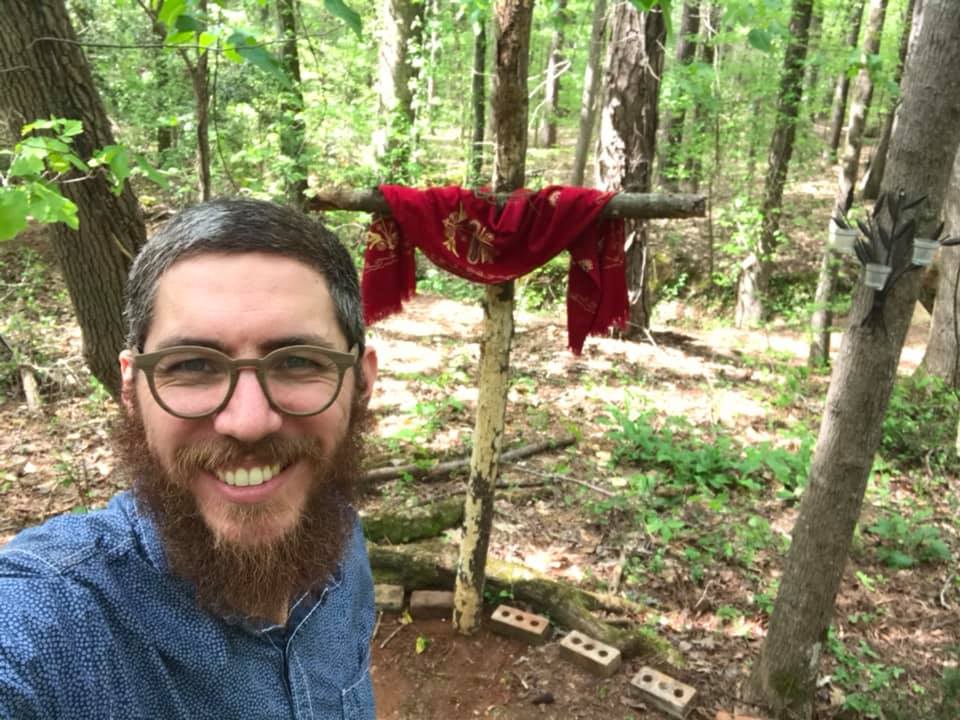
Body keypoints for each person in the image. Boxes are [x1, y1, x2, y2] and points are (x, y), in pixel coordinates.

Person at [0, 199, 379, 719]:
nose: (248, 421)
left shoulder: (337, 533)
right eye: (193, 366)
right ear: (131, 390)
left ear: (361, 383)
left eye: (297, 361)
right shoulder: (51, 623)